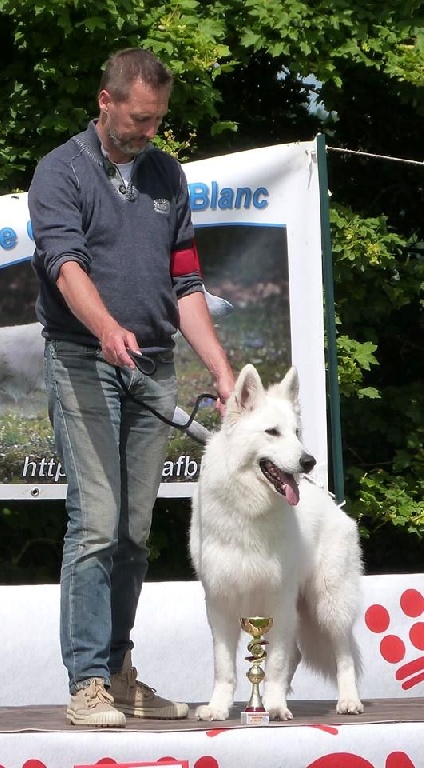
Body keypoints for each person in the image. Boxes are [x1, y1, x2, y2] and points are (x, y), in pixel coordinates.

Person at [28, 48, 234, 728]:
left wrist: (224, 373)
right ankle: (86, 683)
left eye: (157, 121)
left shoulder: (168, 176)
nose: (148, 133)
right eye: (139, 119)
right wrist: (108, 328)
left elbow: (187, 284)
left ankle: (119, 672)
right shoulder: (61, 171)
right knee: (96, 523)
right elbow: (65, 266)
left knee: (135, 532)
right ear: (106, 101)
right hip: (85, 359)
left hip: (154, 366)